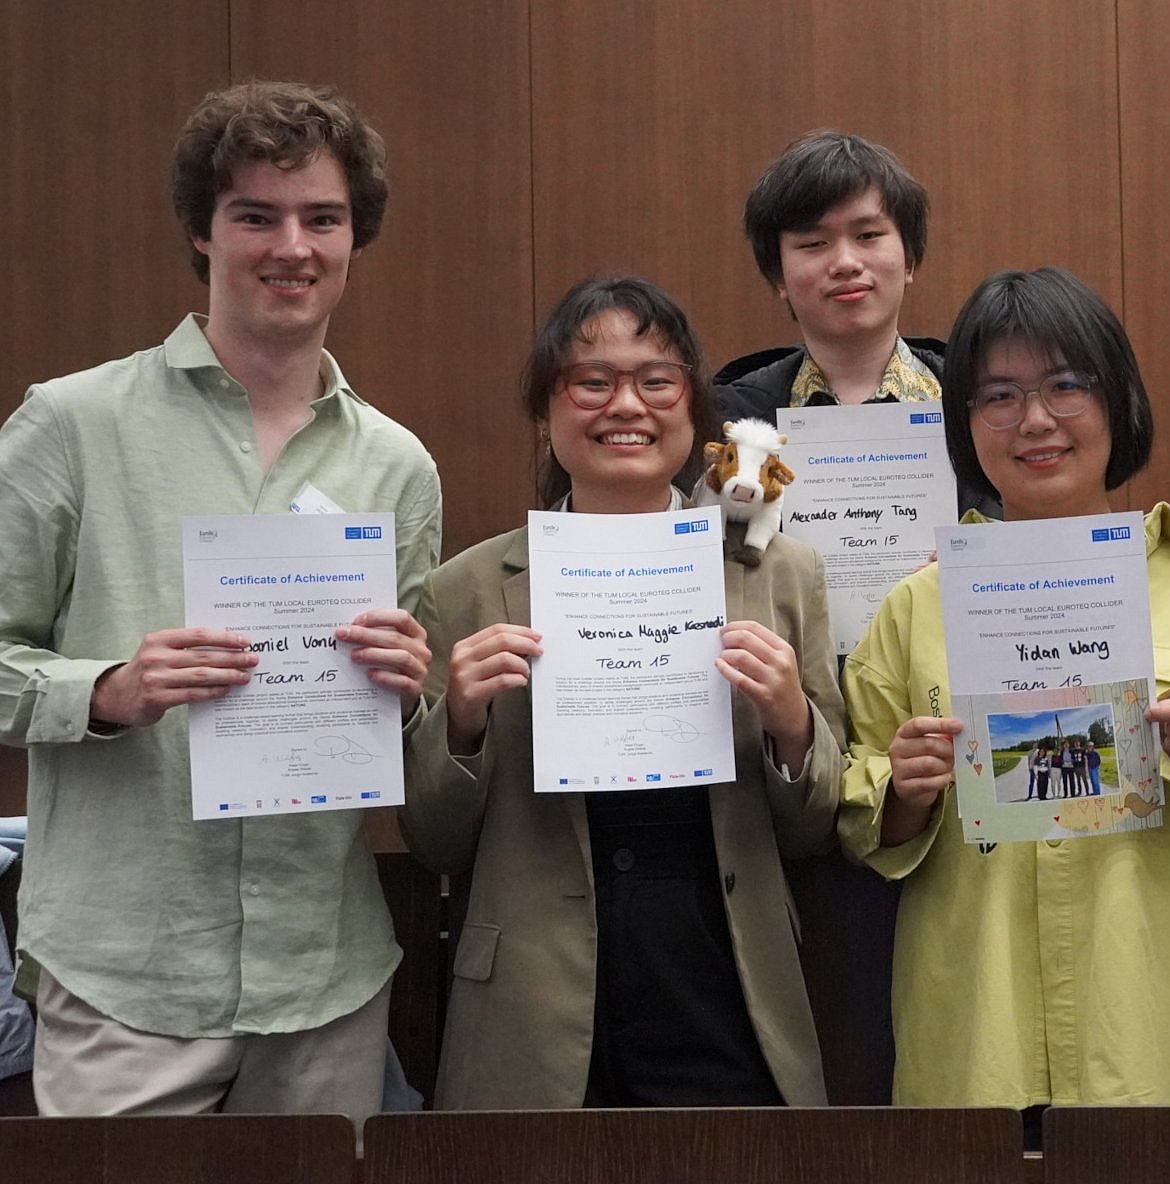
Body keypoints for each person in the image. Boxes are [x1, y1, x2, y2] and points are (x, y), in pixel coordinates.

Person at [0, 81, 441, 1120]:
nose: (291, 245)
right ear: (203, 232)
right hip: (128, 977)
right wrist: (106, 689)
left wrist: (410, 692)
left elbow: (398, 727)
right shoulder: (71, 425)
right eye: (255, 214)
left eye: (321, 218)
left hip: (322, 978)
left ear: (352, 239)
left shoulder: (398, 467)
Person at [840, 267, 1170, 1110]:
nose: (1035, 420)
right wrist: (903, 792)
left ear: (1120, 401)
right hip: (979, 1056)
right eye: (997, 395)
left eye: (1067, 386)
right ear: (965, 425)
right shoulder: (912, 612)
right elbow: (860, 816)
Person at [402, 275, 844, 1109]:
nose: (625, 405)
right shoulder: (464, 589)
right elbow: (433, 840)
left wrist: (793, 725)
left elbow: (818, 826)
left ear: (694, 405)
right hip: (535, 1001)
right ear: (548, 407)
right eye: (591, 380)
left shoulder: (782, 574)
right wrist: (458, 725)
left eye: (656, 379)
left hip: (725, 981)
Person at [717, 130, 996, 517]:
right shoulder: (727, 420)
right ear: (778, 275)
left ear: (910, 259)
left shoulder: (986, 404)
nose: (846, 262)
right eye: (814, 243)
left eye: (868, 235)